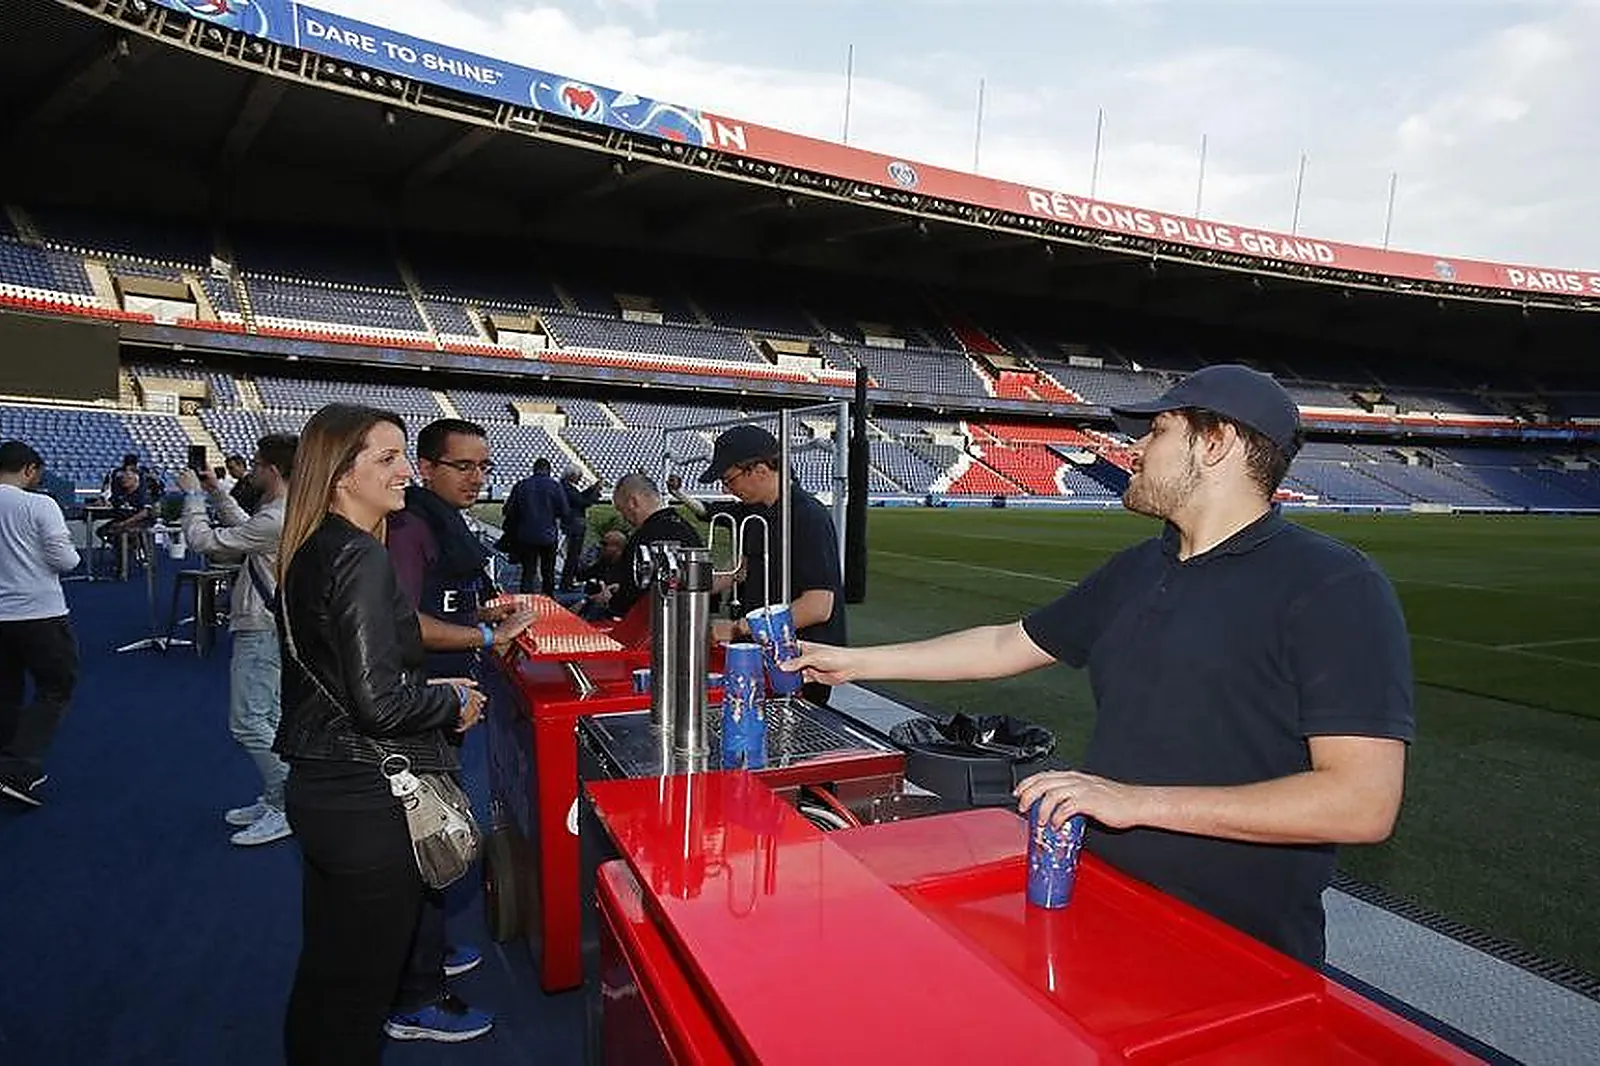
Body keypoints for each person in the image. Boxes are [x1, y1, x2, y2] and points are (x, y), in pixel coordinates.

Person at [786, 365, 1413, 967]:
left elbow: (1361, 802)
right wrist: (853, 661)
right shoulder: (1137, 569)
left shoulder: (1333, 586)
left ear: (1215, 443)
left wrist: (1135, 802)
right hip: (1102, 906)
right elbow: (1007, 645)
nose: (1133, 449)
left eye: (1158, 431)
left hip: (1237, 950)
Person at [272, 404, 492, 1064]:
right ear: (342, 473)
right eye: (388, 459)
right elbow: (380, 705)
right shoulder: (360, 556)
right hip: (367, 800)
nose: (405, 473)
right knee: (357, 993)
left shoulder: (311, 548)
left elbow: (343, 680)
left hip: (324, 787)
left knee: (330, 976)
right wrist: (451, 700)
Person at [383, 418, 535, 1036]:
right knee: (424, 840)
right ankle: (415, 995)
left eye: (483, 467)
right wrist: (487, 635)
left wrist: (485, 613)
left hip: (441, 702)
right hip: (417, 707)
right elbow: (402, 622)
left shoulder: (439, 521)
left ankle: (427, 950)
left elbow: (442, 599)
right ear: (426, 468)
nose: (476, 478)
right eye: (462, 466)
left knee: (435, 828)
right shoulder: (409, 527)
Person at [177, 433, 298, 846]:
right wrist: (215, 491)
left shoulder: (276, 517)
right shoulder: (284, 511)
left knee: (248, 722)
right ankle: (278, 797)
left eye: (258, 464)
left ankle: (287, 804)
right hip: (272, 624)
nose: (253, 470)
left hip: (260, 627)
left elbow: (204, 542)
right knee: (271, 718)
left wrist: (193, 497)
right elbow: (248, 530)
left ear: (272, 470)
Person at [672, 425, 845, 705]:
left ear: (761, 470)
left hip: (801, 664)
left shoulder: (807, 516)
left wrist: (738, 628)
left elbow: (818, 606)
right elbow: (740, 571)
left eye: (729, 480)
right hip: (763, 655)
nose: (726, 489)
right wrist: (687, 587)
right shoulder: (756, 513)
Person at [0, 441, 80, 808]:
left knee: (6, 691)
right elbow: (65, 560)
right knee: (56, 688)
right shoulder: (40, 504)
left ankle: (6, 758)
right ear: (29, 470)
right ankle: (18, 769)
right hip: (39, 614)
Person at [603, 472, 703, 621]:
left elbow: (632, 594)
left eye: (621, 509)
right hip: (691, 615)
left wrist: (610, 600)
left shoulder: (644, 538)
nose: (624, 518)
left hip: (652, 623)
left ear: (633, 502)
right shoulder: (685, 528)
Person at [500, 456, 568, 597]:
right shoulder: (555, 486)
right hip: (548, 535)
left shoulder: (522, 485)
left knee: (528, 572)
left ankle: (526, 602)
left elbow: (508, 510)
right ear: (549, 470)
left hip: (526, 536)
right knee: (548, 572)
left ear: (534, 469)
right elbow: (564, 511)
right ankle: (549, 601)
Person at [558, 469, 603, 590]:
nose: (579, 479)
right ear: (572, 476)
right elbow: (582, 502)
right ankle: (567, 582)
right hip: (574, 524)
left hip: (572, 523)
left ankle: (569, 580)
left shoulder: (566, 487)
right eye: (579, 477)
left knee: (573, 554)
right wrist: (594, 493)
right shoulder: (567, 488)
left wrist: (591, 489)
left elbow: (579, 497)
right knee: (573, 554)